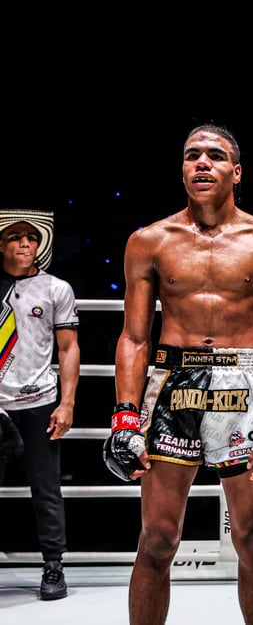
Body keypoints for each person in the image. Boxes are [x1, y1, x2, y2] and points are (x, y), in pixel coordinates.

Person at [103, 124, 253, 625]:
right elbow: (133, 337)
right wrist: (125, 416)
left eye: (214, 155)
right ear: (183, 169)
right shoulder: (149, 241)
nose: (202, 163)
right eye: (192, 155)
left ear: (236, 171)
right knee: (156, 537)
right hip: (174, 386)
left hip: (244, 383)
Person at [0, 208, 80, 601]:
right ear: (1, 244)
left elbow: (68, 348)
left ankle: (53, 566)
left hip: (38, 401)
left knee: (46, 488)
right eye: (15, 237)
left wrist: (67, 403)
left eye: (30, 238)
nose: (24, 243)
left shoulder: (56, 289)